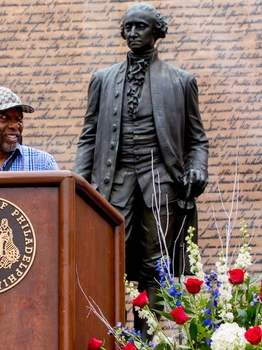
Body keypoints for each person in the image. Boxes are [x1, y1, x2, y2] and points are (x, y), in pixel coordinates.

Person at [72, 3, 208, 337]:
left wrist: (197, 170)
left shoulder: (181, 81)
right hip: (113, 182)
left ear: (156, 32)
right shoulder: (102, 80)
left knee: (154, 262)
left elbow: (197, 140)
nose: (132, 33)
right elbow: (88, 136)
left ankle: (147, 337)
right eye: (128, 27)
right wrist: (77, 183)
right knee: (106, 259)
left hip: (161, 183)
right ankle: (107, 334)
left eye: (140, 27)